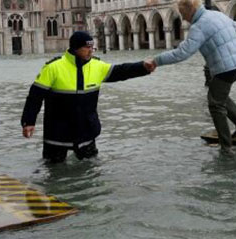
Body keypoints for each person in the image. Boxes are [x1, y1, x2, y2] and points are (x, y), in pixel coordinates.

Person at [21, 31, 152, 163]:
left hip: (87, 131)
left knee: (91, 170)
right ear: (75, 48)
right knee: (53, 171)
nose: (91, 51)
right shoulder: (53, 68)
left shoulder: (97, 66)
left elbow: (122, 71)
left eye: (92, 47)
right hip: (57, 132)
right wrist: (29, 122)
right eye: (87, 48)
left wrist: (143, 67)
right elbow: (35, 97)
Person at [145, 0, 236, 149]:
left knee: (215, 104)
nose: (184, 19)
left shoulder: (199, 26)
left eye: (183, 15)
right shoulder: (217, 14)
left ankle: (226, 146)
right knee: (219, 95)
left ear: (190, 11)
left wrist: (156, 60)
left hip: (226, 68)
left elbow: (182, 53)